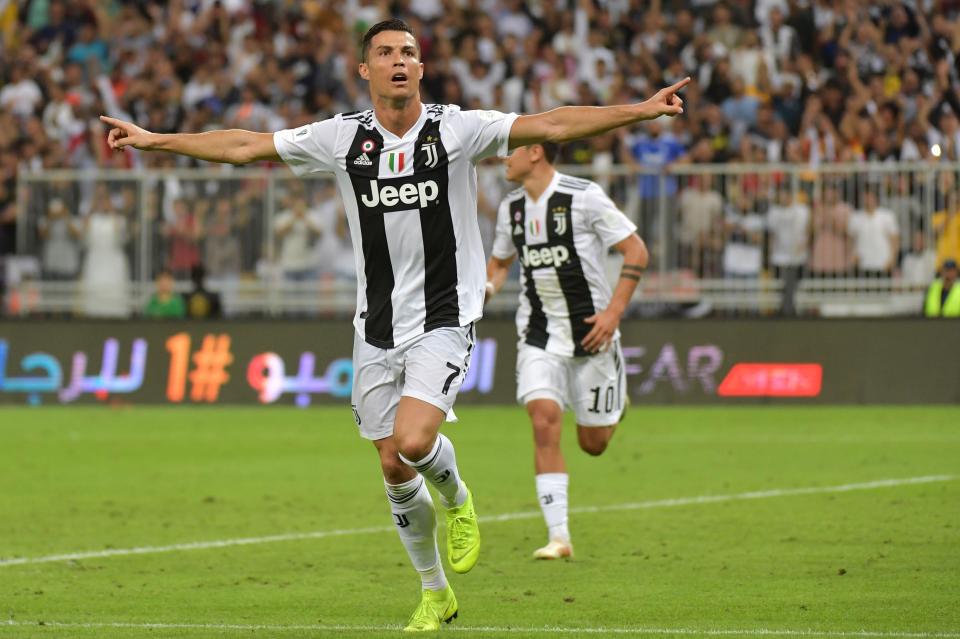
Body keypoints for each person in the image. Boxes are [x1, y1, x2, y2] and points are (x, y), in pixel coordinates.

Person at [99, 18, 687, 631]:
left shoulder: (457, 129)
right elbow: (246, 146)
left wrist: (641, 112)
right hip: (374, 322)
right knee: (391, 466)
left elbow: (554, 123)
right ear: (365, 69)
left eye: (408, 52)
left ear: (421, 68)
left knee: (413, 441)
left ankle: (458, 500)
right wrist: (155, 139)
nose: (398, 60)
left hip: (444, 314)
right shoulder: (341, 138)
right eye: (385, 52)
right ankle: (435, 592)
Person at [485, 141, 647, 560]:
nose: (504, 157)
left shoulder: (584, 196)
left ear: (535, 152)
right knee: (543, 420)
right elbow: (501, 262)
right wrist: (486, 287)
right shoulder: (511, 209)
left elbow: (636, 251)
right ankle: (559, 537)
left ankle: (616, 404)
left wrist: (613, 313)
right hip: (539, 334)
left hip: (593, 334)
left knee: (593, 444)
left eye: (511, 149)